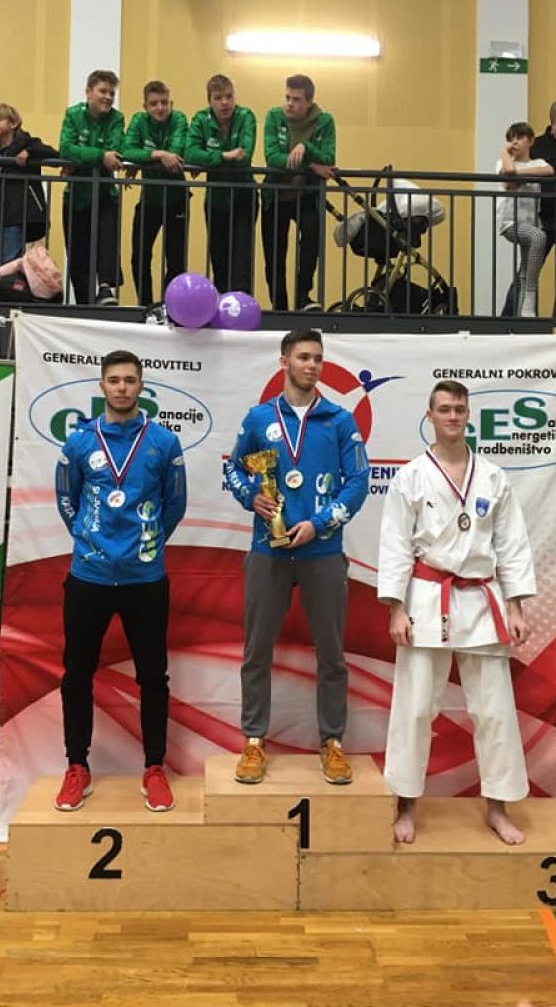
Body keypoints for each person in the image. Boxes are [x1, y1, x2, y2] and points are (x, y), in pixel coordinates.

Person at [378, 379, 535, 846]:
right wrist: (396, 608)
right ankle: (406, 804)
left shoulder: (492, 477)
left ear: (468, 416)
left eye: (459, 409)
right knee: (414, 709)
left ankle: (498, 808)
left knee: (495, 712)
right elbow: (395, 545)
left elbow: (511, 544)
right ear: (429, 416)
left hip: (481, 601)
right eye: (444, 409)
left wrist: (516, 605)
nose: (452, 416)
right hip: (427, 599)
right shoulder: (411, 477)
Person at [224, 328, 370, 785]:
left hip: (322, 550)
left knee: (332, 653)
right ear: (284, 361)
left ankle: (333, 743)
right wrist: (251, 497)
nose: (312, 365)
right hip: (267, 549)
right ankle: (253, 741)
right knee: (256, 651)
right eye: (303, 357)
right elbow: (233, 469)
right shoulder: (258, 418)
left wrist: (320, 523)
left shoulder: (339, 420)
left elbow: (358, 482)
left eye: (318, 358)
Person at [54, 349, 187, 812]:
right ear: (102, 386)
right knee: (76, 675)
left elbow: (175, 505)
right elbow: (66, 500)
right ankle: (77, 766)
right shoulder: (79, 442)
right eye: (114, 380)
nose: (123, 388)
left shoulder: (163, 442)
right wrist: (91, 541)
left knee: (153, 677)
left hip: (145, 578)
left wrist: (145, 545)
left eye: (130, 380)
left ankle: (154, 768)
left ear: (141, 386)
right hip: (88, 577)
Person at [501, 98, 556, 316]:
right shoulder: (536, 146)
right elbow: (511, 172)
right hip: (542, 217)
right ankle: (509, 320)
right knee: (528, 271)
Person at [262, 74, 336, 311]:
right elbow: (272, 157)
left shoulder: (324, 121)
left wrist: (306, 147)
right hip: (276, 195)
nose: (289, 104)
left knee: (311, 244)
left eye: (296, 99)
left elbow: (329, 158)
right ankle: (279, 307)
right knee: (274, 255)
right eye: (287, 98)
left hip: (306, 195)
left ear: (309, 101)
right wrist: (311, 165)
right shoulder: (274, 117)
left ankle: (303, 297)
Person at [185, 74, 257, 293]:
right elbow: (190, 154)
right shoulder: (201, 119)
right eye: (218, 98)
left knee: (242, 260)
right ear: (209, 100)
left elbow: (244, 155)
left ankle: (240, 305)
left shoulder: (246, 116)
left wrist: (208, 159)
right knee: (219, 259)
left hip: (244, 197)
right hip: (216, 200)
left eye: (229, 96)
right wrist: (224, 156)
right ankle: (221, 305)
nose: (224, 103)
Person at [59, 69, 125, 306]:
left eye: (111, 93)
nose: (108, 97)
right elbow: (66, 148)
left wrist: (85, 157)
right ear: (88, 92)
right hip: (76, 195)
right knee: (77, 252)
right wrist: (100, 156)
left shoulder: (117, 119)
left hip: (105, 193)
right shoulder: (73, 114)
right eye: (102, 91)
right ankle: (84, 303)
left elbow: (116, 149)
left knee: (107, 244)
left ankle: (106, 290)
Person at [122, 80, 188, 305]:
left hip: (177, 200)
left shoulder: (179, 119)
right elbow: (127, 151)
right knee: (139, 257)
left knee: (176, 261)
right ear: (145, 106)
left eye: (164, 102)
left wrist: (143, 159)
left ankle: (170, 307)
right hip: (149, 200)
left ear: (171, 103)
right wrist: (159, 155)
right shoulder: (138, 121)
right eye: (153, 103)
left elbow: (176, 154)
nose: (160, 108)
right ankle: (146, 306)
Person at [0, 102, 59, 268]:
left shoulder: (27, 143)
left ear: (13, 123)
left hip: (18, 213)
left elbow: (52, 153)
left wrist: (29, 152)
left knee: (10, 260)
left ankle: (11, 286)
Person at [495, 122, 553, 318]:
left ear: (531, 141)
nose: (515, 142)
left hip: (531, 221)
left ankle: (522, 313)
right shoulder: (502, 163)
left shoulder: (538, 163)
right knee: (539, 237)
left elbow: (549, 170)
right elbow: (508, 175)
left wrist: (518, 174)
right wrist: (504, 152)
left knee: (526, 269)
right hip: (510, 223)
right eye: (511, 139)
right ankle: (530, 295)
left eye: (519, 138)